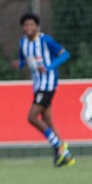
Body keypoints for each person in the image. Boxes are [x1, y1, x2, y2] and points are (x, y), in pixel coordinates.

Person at [14, 12, 74, 167]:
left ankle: (58, 146)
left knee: (32, 117)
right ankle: (65, 156)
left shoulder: (45, 40)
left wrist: (48, 67)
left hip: (48, 85)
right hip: (37, 86)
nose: (29, 27)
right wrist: (18, 65)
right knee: (47, 120)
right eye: (26, 24)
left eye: (32, 24)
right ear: (23, 27)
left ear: (37, 26)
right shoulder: (23, 43)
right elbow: (23, 60)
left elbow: (65, 54)